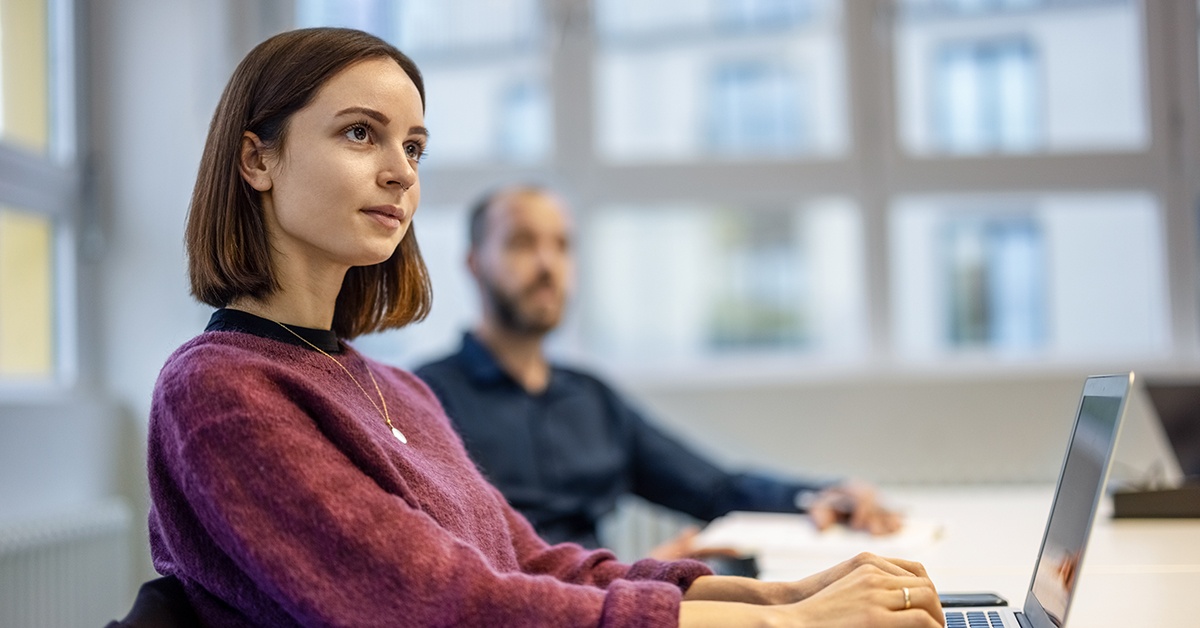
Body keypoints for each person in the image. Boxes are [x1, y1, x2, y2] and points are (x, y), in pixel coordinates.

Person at [147, 26, 944, 627]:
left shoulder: (390, 389)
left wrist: (774, 591)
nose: (401, 171)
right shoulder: (219, 388)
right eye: (361, 133)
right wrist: (781, 624)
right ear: (258, 160)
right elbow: (432, 603)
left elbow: (532, 560)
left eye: (414, 146)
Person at [416, 185, 902, 555]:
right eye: (523, 243)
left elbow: (714, 489)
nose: (548, 264)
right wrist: (634, 582)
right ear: (475, 263)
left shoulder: (592, 399)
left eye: (562, 245)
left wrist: (820, 494)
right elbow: (452, 569)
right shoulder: (424, 400)